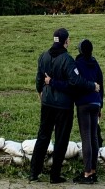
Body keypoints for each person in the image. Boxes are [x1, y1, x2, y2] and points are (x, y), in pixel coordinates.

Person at [29, 28, 99, 184]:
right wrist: (92, 86)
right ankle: (55, 176)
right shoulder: (67, 60)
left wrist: (41, 91)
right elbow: (75, 82)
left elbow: (39, 78)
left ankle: (34, 172)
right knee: (61, 140)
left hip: (47, 103)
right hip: (63, 106)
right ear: (66, 41)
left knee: (43, 136)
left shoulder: (43, 56)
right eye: (69, 40)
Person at [47, 38, 104, 184]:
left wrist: (52, 82)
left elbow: (74, 84)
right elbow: (101, 84)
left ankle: (87, 174)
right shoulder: (95, 63)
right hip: (96, 102)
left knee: (86, 138)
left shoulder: (77, 64)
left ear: (80, 50)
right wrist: (100, 105)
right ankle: (94, 171)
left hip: (83, 104)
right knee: (94, 138)